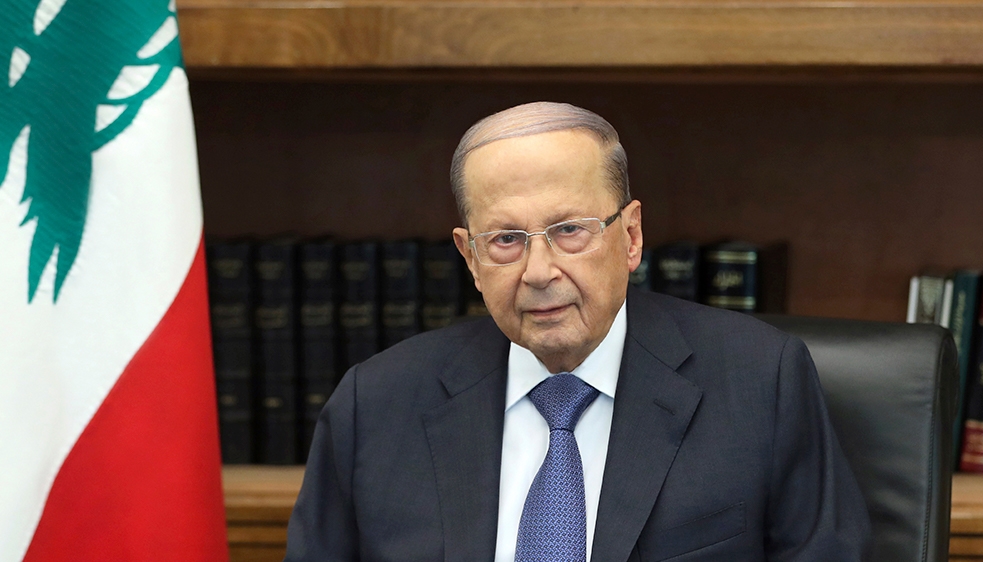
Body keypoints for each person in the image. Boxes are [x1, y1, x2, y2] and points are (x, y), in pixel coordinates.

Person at [284, 102, 871, 561]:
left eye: (569, 230)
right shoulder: (374, 405)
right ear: (470, 258)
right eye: (506, 240)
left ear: (631, 236)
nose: (539, 272)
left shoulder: (761, 382)